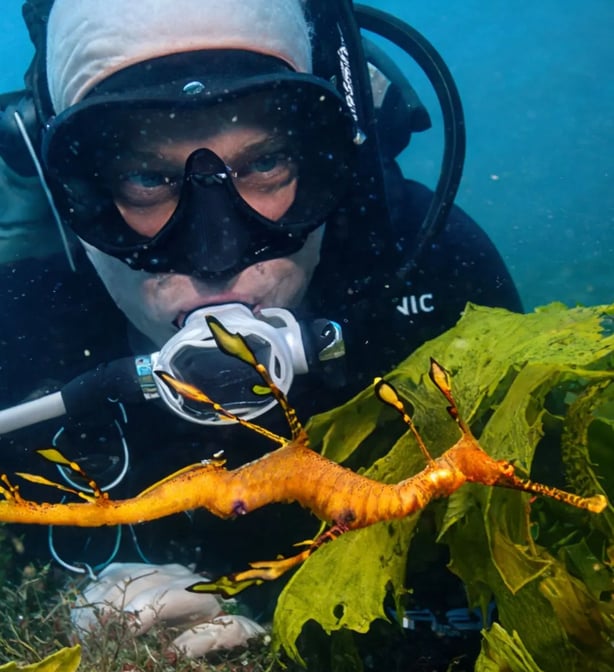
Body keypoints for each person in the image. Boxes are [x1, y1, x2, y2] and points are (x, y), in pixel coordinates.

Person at [0, 0, 521, 596]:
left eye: (266, 162)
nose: (216, 254)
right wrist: (74, 609)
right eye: (146, 178)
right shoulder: (18, 333)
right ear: (75, 191)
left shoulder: (432, 271)